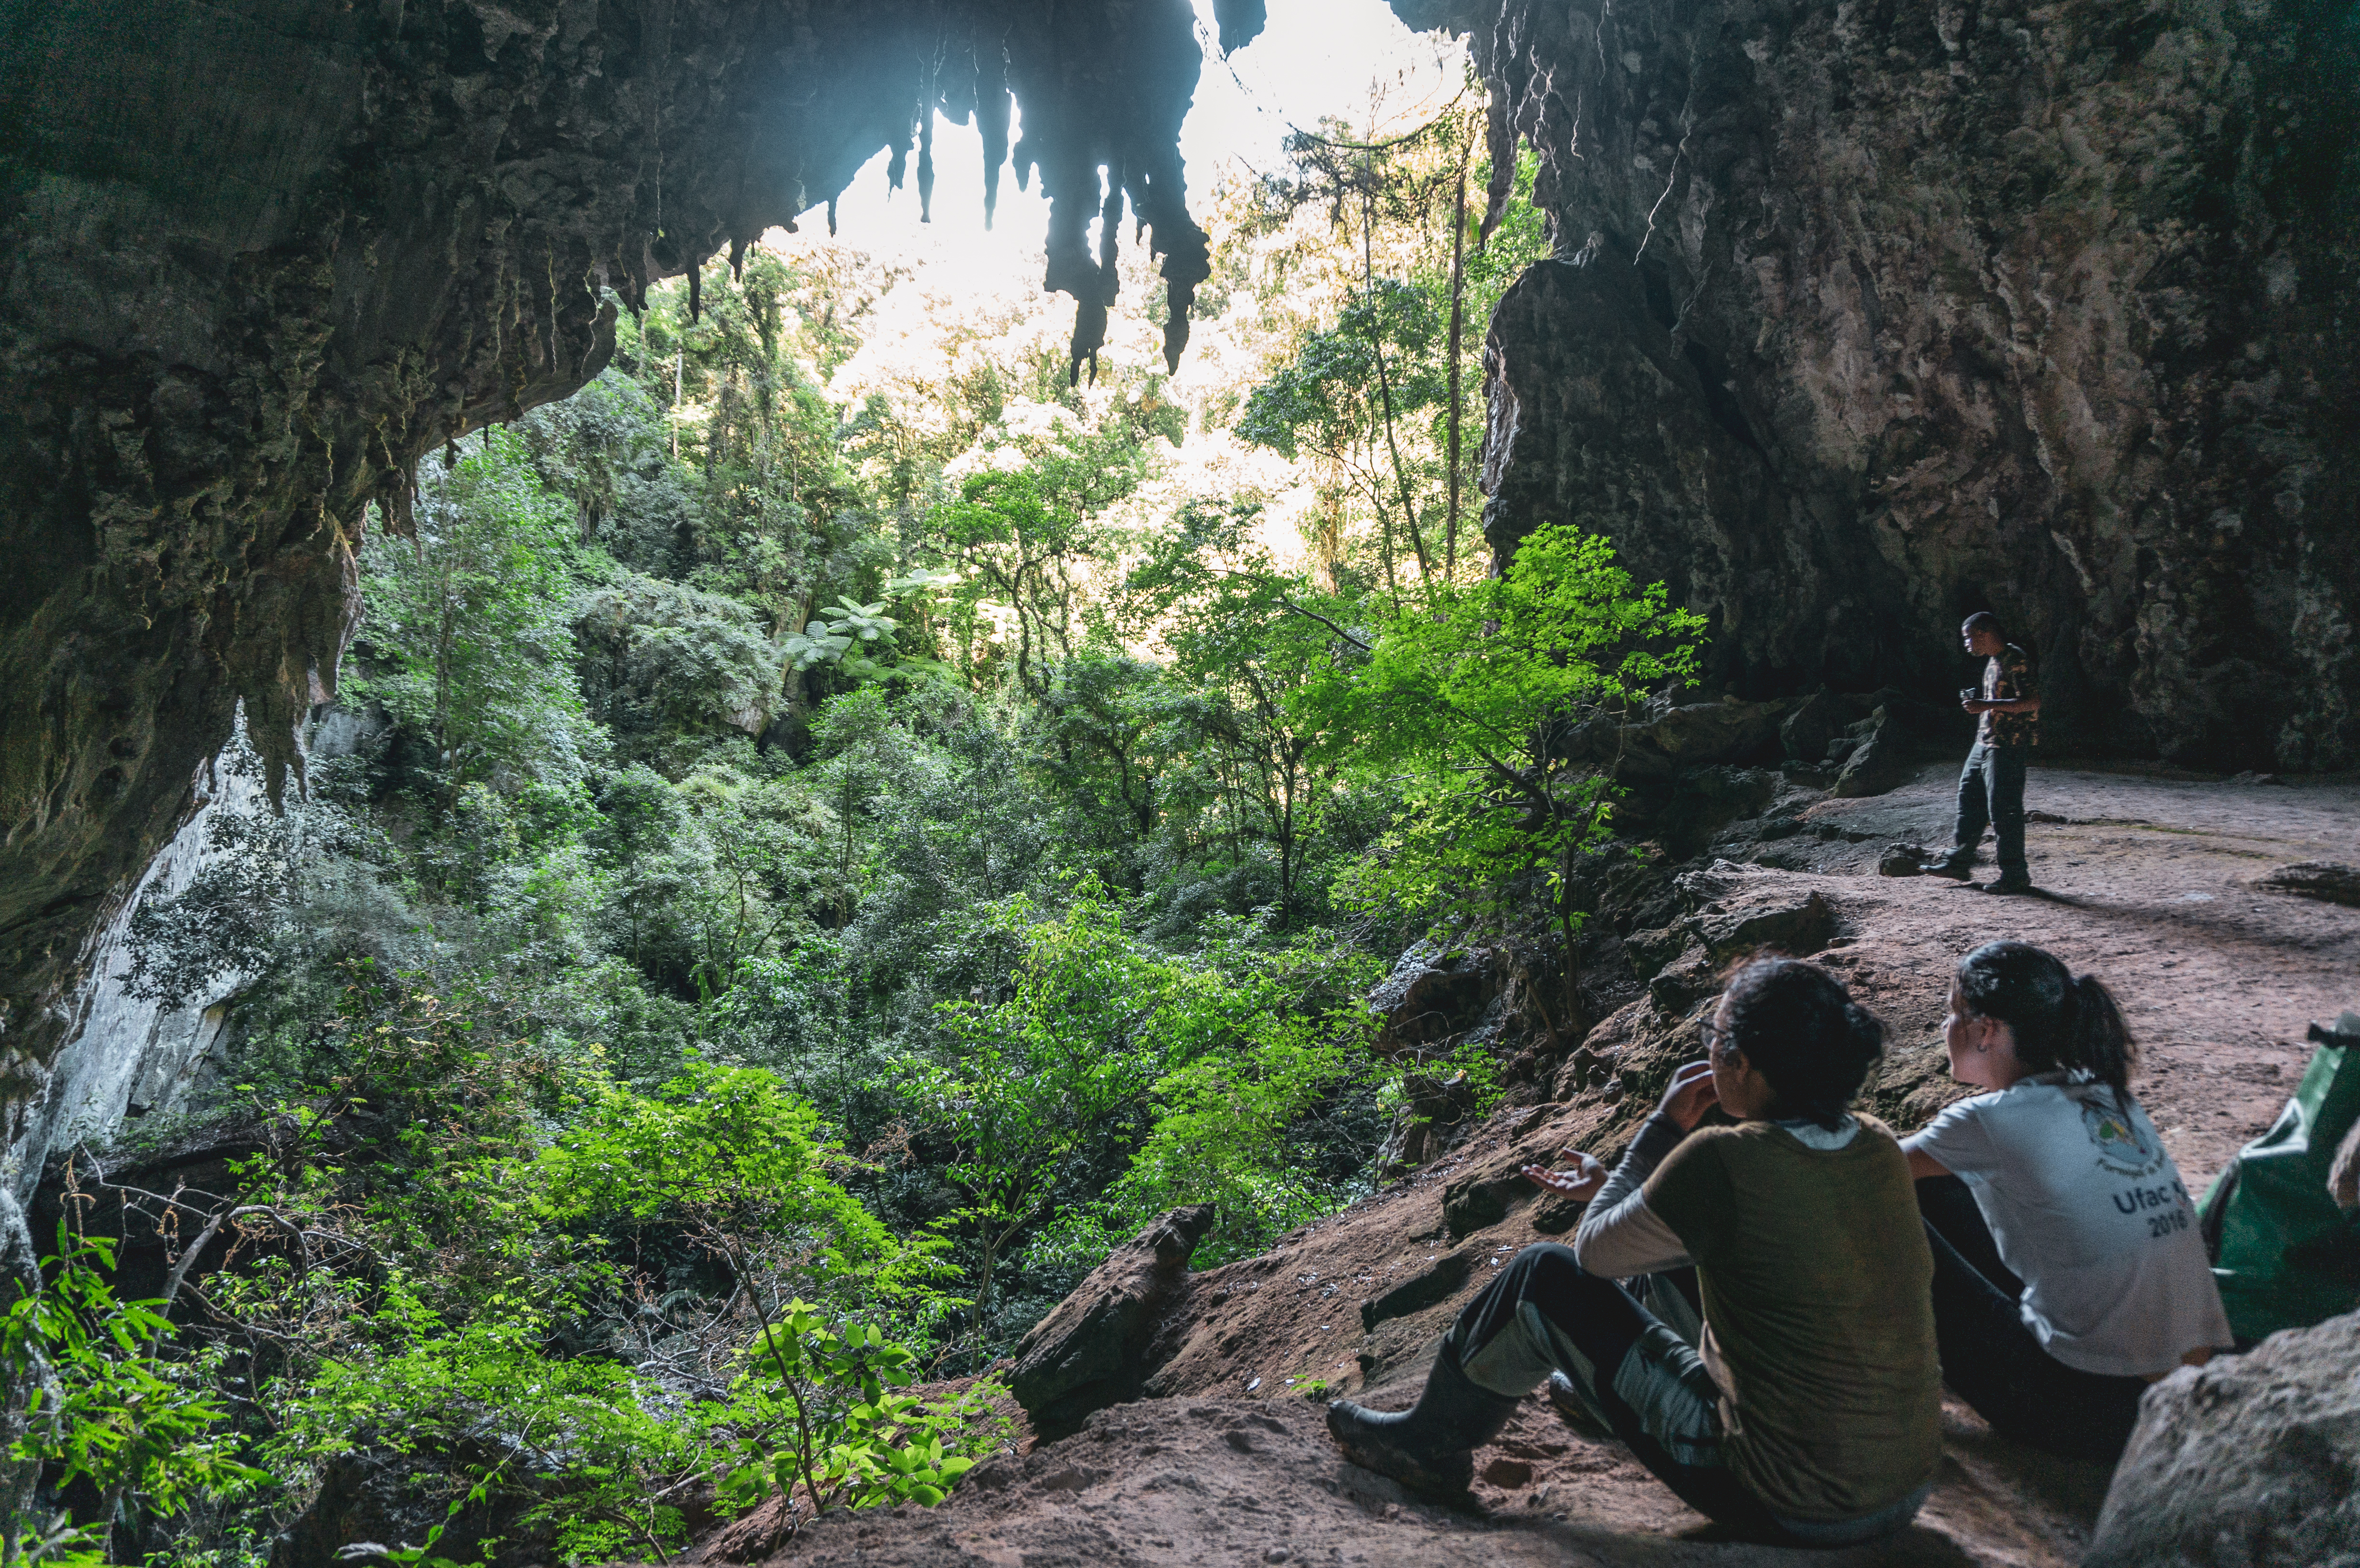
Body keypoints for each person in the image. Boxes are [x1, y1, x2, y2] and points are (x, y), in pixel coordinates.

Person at [1325, 958, 1942, 1546]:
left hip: (1784, 1497)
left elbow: (1594, 1253)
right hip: (1900, 1486)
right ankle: (1601, 1396)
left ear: (1744, 1062)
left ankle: (1426, 1443)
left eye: (1715, 1035)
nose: (1708, 1048)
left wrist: (1661, 1128)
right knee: (1679, 1257)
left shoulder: (1722, 1159)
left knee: (1543, 1276)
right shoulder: (1876, 1144)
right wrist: (1616, 1184)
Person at [1900, 941, 2233, 1463]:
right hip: (2181, 1390)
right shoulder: (2106, 1094)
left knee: (1896, 1209)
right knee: (1945, 1184)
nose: (1945, 1027)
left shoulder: (1988, 1121)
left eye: (1951, 1012)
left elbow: (1858, 1169)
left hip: (2085, 1411)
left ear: (1986, 1030)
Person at [1922, 611, 2040, 894]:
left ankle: (2015, 875)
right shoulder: (1993, 662)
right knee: (1969, 800)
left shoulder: (2016, 659)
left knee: (2004, 810)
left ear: (1985, 633)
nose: (1967, 645)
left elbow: (2032, 702)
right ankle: (1958, 862)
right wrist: (1983, 705)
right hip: (1984, 743)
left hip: (2008, 744)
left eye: (1969, 638)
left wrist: (1985, 705)